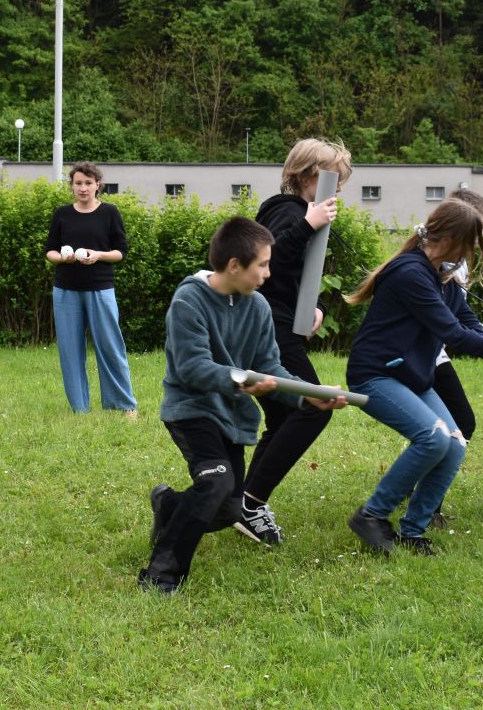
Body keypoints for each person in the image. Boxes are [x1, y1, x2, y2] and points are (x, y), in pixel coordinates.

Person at [138, 218, 345, 594]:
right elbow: (191, 367)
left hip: (231, 416)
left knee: (227, 509)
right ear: (234, 265)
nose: (268, 273)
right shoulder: (189, 300)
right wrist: (241, 379)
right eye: (262, 265)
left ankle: (168, 505)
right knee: (215, 481)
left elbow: (271, 367)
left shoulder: (259, 307)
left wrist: (308, 394)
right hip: (192, 408)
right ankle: (160, 576)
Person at [344, 199, 483, 556]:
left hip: (411, 376)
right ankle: (371, 515)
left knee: (455, 443)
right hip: (376, 375)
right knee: (433, 438)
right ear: (451, 239)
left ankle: (413, 531)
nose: (471, 253)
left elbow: (471, 326)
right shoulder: (411, 274)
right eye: (470, 244)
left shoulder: (444, 278)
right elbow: (454, 334)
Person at [236, 138, 351, 546]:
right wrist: (309, 222)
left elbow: (299, 272)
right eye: (333, 177)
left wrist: (314, 305)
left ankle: (244, 503)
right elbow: (269, 260)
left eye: (342, 180)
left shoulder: (304, 213)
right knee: (313, 407)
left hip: (280, 323)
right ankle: (250, 503)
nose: (339, 187)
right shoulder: (284, 209)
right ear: (305, 175)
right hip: (266, 327)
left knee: (285, 417)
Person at [44, 162, 137, 415]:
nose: (83, 188)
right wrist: (62, 258)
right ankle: (79, 409)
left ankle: (124, 406)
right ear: (72, 186)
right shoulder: (62, 214)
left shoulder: (110, 212)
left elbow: (121, 252)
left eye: (88, 183)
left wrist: (98, 255)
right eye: (78, 183)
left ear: (97, 185)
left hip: (100, 289)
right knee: (70, 352)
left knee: (110, 347)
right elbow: (50, 251)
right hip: (65, 291)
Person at [428, 187, 483, 528]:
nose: (482, 238)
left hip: (433, 354)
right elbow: (453, 327)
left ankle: (416, 493)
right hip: (422, 357)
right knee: (458, 423)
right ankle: (428, 504)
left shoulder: (458, 264)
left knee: (442, 427)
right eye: (479, 228)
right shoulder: (435, 262)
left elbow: (463, 316)